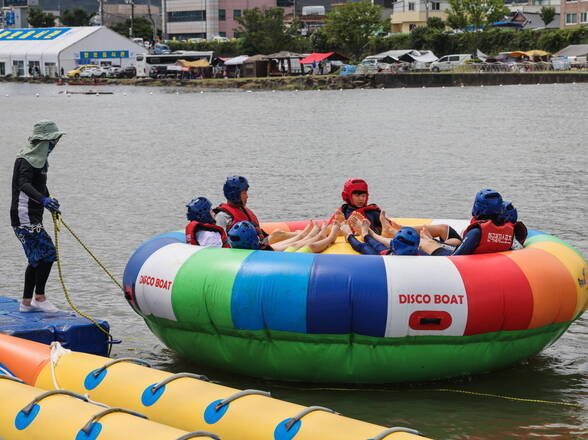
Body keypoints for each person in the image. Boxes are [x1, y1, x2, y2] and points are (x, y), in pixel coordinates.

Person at [11, 120, 65, 313]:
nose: (55, 144)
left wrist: (49, 200)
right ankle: (39, 297)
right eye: (53, 141)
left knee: (36, 258)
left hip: (34, 215)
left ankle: (26, 303)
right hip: (23, 215)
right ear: (43, 141)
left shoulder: (41, 160)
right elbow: (24, 184)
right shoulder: (25, 160)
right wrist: (42, 200)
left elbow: (39, 185)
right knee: (48, 253)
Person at [420, 189, 523, 256]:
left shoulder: (477, 232)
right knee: (444, 229)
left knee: (422, 241)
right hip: (472, 249)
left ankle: (417, 236)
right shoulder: (509, 232)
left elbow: (455, 258)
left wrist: (433, 243)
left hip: (459, 258)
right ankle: (408, 230)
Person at [229, 220, 340, 253]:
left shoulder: (240, 250)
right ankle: (329, 237)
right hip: (276, 260)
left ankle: (306, 234)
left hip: (265, 254)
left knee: (293, 243)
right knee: (307, 246)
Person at [214, 176, 268, 242]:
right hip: (241, 250)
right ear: (234, 195)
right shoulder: (222, 217)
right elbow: (219, 242)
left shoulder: (245, 211)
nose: (247, 196)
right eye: (244, 193)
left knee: (278, 234)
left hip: (257, 245)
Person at [341, 217, 422, 256]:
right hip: (392, 254)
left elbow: (360, 246)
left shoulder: (387, 258)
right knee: (378, 246)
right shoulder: (421, 255)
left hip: (387, 260)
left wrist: (350, 235)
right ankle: (366, 234)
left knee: (365, 247)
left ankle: (349, 234)